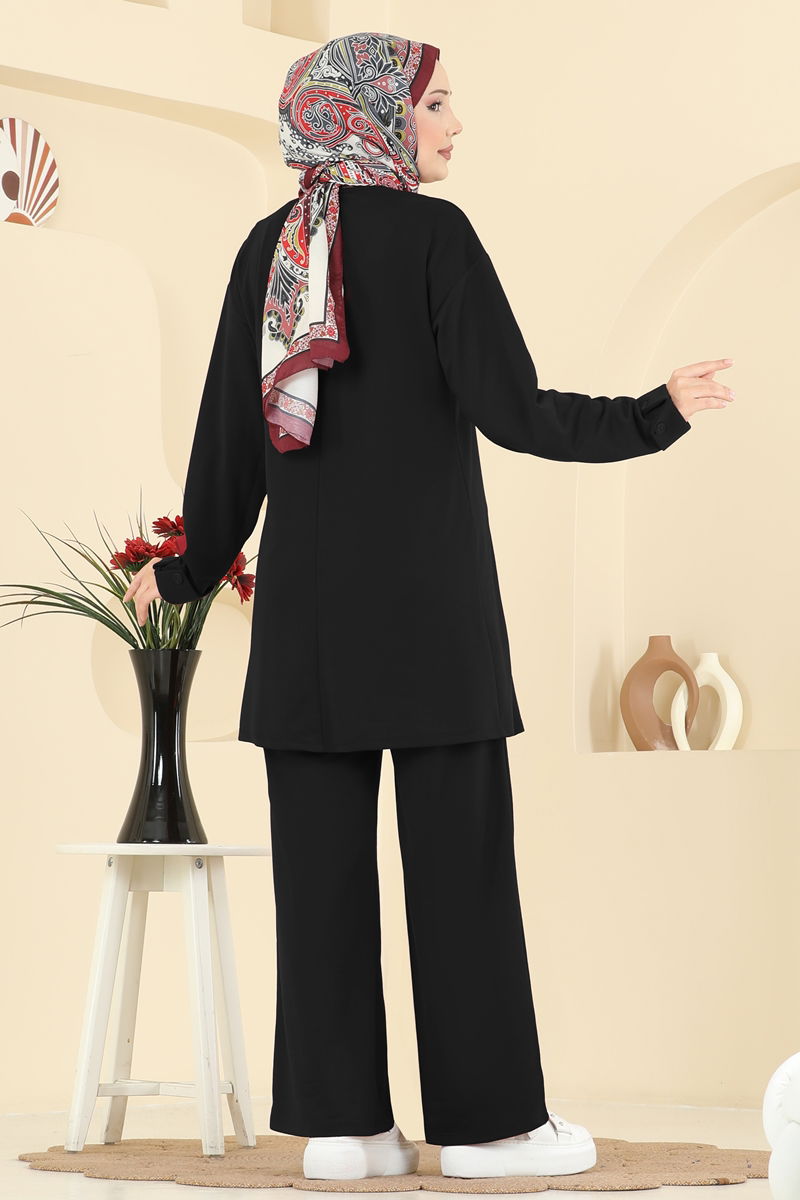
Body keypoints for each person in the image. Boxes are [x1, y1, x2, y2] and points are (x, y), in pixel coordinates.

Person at [123, 31, 734, 1182]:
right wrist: (653, 412)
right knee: (460, 876)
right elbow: (513, 410)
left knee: (319, 886)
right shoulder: (434, 238)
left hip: (307, 629)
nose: (454, 124)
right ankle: (488, 1131)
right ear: (372, 115)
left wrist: (190, 567)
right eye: (436, 102)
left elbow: (230, 445)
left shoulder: (270, 250)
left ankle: (343, 1133)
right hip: (432, 620)